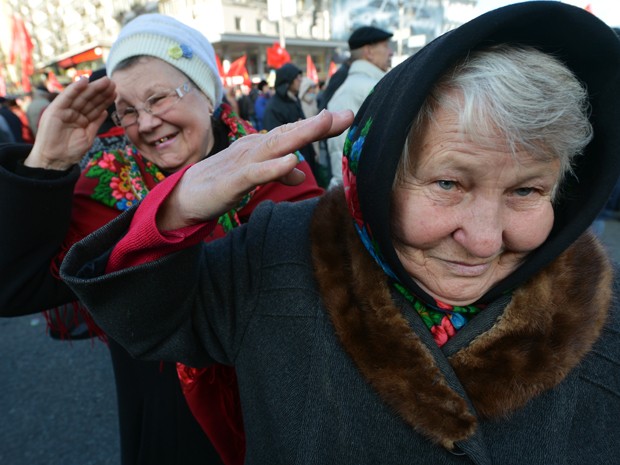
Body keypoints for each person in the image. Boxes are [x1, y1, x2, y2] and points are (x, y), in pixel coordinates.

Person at [61, 2, 620, 463]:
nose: (483, 239)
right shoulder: (280, 256)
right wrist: (178, 209)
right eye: (449, 182)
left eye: (526, 191)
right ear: (377, 174)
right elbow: (141, 317)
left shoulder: (603, 322)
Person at [0, 13, 322, 465]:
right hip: (165, 419)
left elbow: (326, 289)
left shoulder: (273, 166)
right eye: (128, 111)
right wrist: (47, 161)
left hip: (278, 405)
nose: (146, 123)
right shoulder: (106, 192)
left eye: (158, 98)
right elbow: (12, 286)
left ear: (207, 94)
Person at [326, 25, 393, 188]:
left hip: (347, 190)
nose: (390, 52)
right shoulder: (376, 87)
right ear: (369, 52)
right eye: (385, 46)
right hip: (368, 190)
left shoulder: (343, 89)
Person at [263, 63, 317, 174]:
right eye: (297, 77)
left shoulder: (294, 99)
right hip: (292, 166)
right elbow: (274, 140)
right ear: (288, 80)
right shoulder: (273, 106)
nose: (300, 80)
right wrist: (295, 130)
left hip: (306, 157)